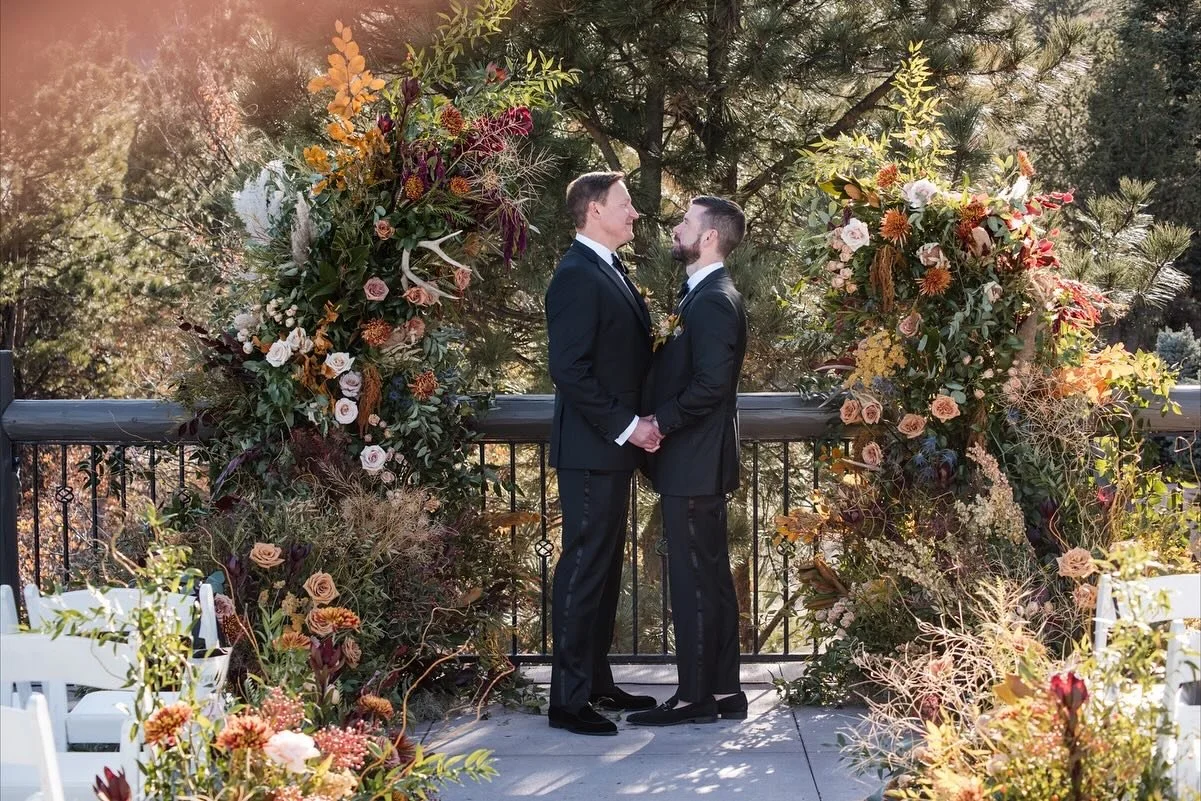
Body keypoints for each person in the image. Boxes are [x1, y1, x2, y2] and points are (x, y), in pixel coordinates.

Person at [544, 171, 662, 735]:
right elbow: (569, 370)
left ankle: (595, 681)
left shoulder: (608, 268)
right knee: (584, 569)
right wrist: (628, 427)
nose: (634, 212)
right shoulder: (575, 274)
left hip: (609, 452)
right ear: (595, 210)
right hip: (592, 449)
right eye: (625, 203)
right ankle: (567, 702)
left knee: (605, 570)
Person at [628, 196, 749, 727]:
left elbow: (712, 385)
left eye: (685, 222)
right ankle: (724, 691)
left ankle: (694, 697)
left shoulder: (715, 300)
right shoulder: (700, 294)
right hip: (695, 461)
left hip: (695, 461)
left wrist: (660, 421)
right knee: (709, 576)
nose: (675, 228)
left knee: (694, 580)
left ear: (709, 237)